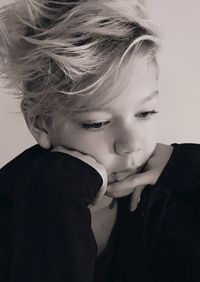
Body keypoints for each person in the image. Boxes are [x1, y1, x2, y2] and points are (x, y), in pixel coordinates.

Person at [0, 0, 200, 281]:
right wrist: (57, 197)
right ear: (40, 124)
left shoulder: (167, 196)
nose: (131, 144)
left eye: (145, 112)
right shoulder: (13, 209)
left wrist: (188, 166)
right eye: (97, 123)